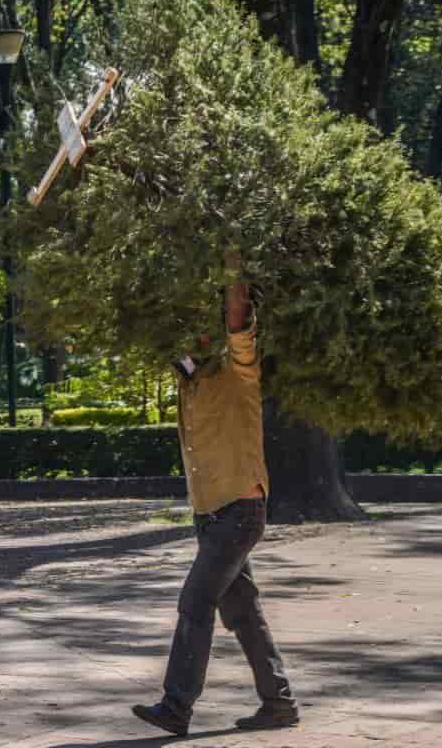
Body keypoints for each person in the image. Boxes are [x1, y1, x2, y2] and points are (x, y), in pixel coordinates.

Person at [132, 256, 299, 736]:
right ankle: (279, 703)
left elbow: (238, 321)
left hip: (240, 511)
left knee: (195, 601)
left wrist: (228, 256)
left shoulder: (238, 371)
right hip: (211, 515)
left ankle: (176, 706)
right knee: (244, 612)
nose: (191, 342)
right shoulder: (188, 382)